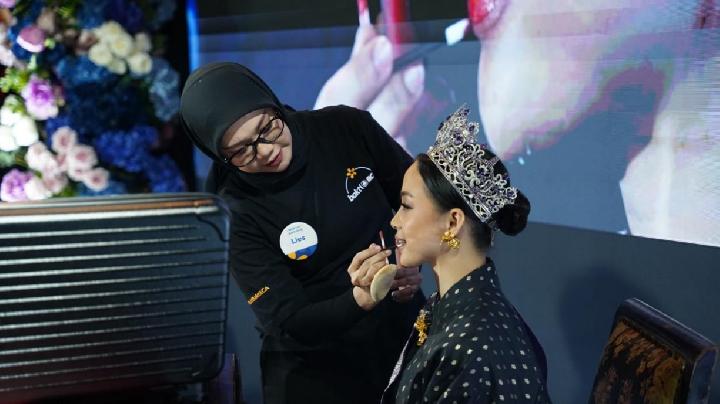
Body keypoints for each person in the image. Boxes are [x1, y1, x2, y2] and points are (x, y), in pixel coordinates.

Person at [179, 62, 425, 404]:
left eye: (267, 128)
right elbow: (287, 321)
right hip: (316, 371)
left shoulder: (345, 128)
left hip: (401, 335)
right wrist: (361, 298)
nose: (265, 151)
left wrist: (409, 260)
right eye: (241, 151)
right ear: (218, 156)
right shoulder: (234, 209)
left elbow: (420, 201)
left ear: (274, 105)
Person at [379, 106, 551, 403]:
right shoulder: (456, 306)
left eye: (406, 206)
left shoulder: (467, 348)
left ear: (453, 222)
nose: (395, 221)